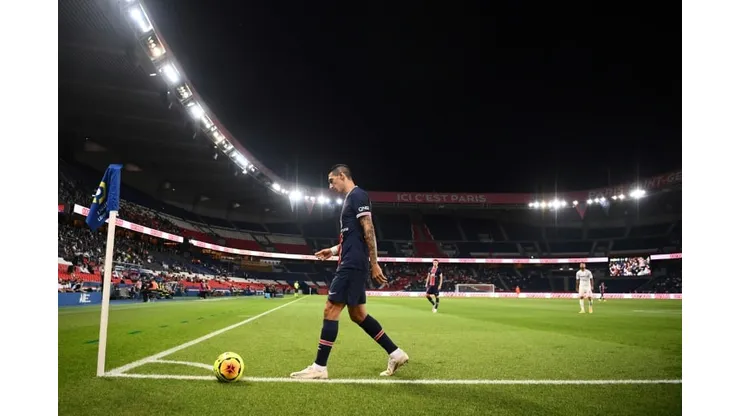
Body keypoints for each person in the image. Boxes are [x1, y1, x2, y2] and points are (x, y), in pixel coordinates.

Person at [290, 165, 409, 380]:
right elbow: (353, 236)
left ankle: (319, 367)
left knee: (330, 309)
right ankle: (396, 353)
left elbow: (368, 229)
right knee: (358, 315)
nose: (330, 186)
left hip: (352, 264)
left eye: (332, 180)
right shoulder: (350, 199)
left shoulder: (357, 195)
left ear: (342, 176)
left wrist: (374, 262)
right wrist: (333, 250)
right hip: (351, 260)